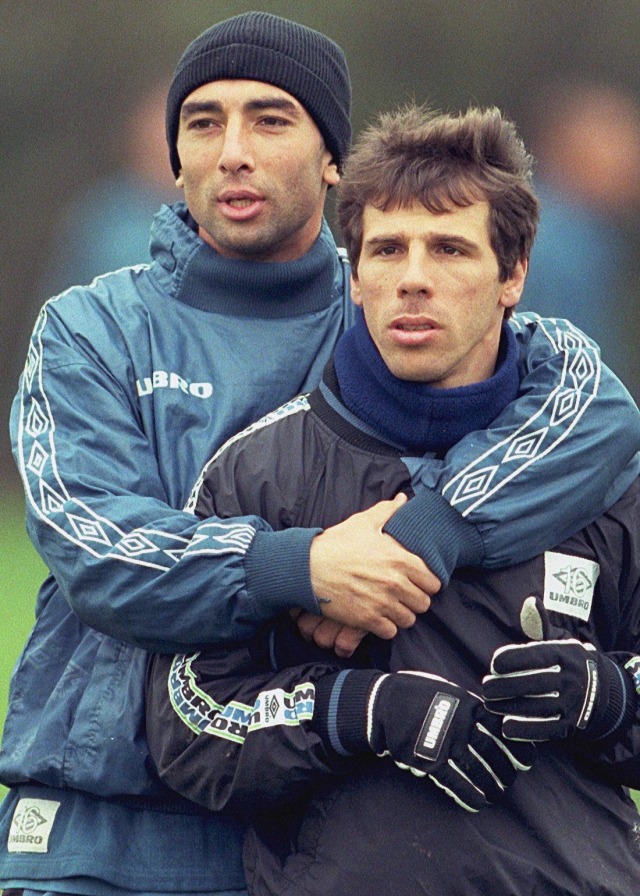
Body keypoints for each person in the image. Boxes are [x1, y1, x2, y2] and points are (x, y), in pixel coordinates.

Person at [1, 11, 639, 896]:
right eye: (202, 122)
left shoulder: (391, 302)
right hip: (101, 826)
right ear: (173, 156)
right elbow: (95, 545)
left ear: (333, 156)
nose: (232, 150)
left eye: (269, 120)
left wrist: (425, 533)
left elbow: (595, 406)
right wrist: (298, 567)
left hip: (291, 824)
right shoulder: (91, 329)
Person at [146, 106, 640, 896]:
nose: (414, 276)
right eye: (387, 248)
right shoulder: (258, 472)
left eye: (449, 248)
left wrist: (607, 696)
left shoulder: (610, 476)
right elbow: (188, 721)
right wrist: (353, 711)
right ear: (354, 274)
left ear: (512, 274)